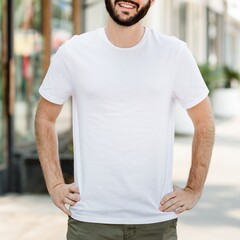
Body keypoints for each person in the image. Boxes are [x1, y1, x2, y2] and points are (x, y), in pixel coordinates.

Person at [35, 0, 215, 239]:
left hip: (156, 221)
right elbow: (45, 118)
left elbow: (204, 122)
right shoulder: (74, 52)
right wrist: (55, 184)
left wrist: (194, 188)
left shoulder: (174, 53)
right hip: (91, 222)